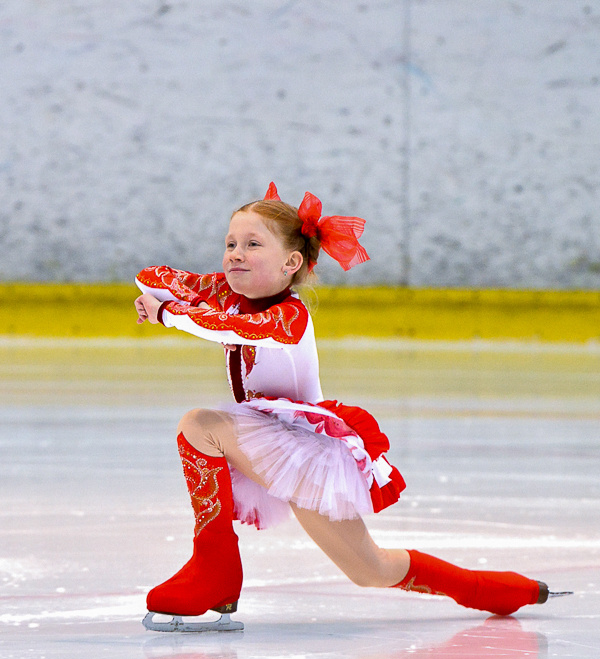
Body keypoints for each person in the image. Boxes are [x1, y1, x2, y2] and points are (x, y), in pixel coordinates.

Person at [134, 183, 566, 632]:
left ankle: (491, 589)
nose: (235, 254)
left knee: (371, 569)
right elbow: (155, 277)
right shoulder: (227, 293)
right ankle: (215, 572)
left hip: (303, 451)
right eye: (230, 244)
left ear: (291, 264)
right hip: (268, 442)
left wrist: (166, 312)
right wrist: (161, 298)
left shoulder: (289, 316)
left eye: (252, 244)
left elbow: (230, 328)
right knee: (200, 425)